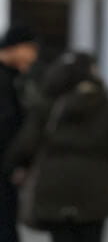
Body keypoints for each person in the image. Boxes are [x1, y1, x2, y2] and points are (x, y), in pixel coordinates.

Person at [4, 51, 108, 242]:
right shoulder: (106, 106)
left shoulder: (47, 105)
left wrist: (17, 167)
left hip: (55, 184)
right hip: (95, 185)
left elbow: (26, 144)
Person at [0, 26, 38, 242]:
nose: (33, 56)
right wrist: (15, 164)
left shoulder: (14, 80)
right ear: (15, 47)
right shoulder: (5, 81)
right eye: (30, 48)